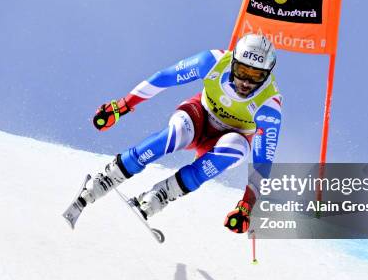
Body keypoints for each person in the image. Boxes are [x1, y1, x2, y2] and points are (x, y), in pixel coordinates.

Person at [67, 33, 282, 233]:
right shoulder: (215, 61)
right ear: (233, 62)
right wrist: (123, 106)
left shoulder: (269, 105)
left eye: (256, 76)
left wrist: (246, 205)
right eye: (243, 72)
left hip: (227, 140)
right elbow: (165, 78)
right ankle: (107, 178)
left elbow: (263, 164)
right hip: (199, 118)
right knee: (177, 133)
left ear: (267, 75)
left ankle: (161, 196)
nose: (246, 82)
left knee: (237, 147)